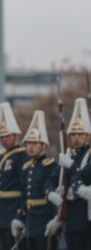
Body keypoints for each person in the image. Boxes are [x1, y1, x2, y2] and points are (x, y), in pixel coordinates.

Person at [45, 98, 91, 250]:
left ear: (88, 136)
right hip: (68, 216)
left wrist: (71, 166)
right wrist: (51, 193)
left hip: (85, 216)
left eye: (80, 134)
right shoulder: (68, 155)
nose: (76, 138)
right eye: (73, 134)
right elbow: (51, 179)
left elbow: (83, 175)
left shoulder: (89, 155)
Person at [0, 102, 29, 250]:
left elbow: (25, 189)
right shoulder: (1, 157)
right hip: (3, 214)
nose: (4, 139)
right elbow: (0, 189)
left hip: (14, 213)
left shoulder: (22, 156)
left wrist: (20, 216)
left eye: (7, 135)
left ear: (16, 135)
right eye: (1, 136)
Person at [20, 110, 58, 250]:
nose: (30, 146)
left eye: (35, 143)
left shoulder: (51, 166)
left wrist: (56, 220)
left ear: (43, 145)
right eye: (28, 143)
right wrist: (19, 218)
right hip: (30, 222)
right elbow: (25, 195)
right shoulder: (27, 167)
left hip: (44, 220)